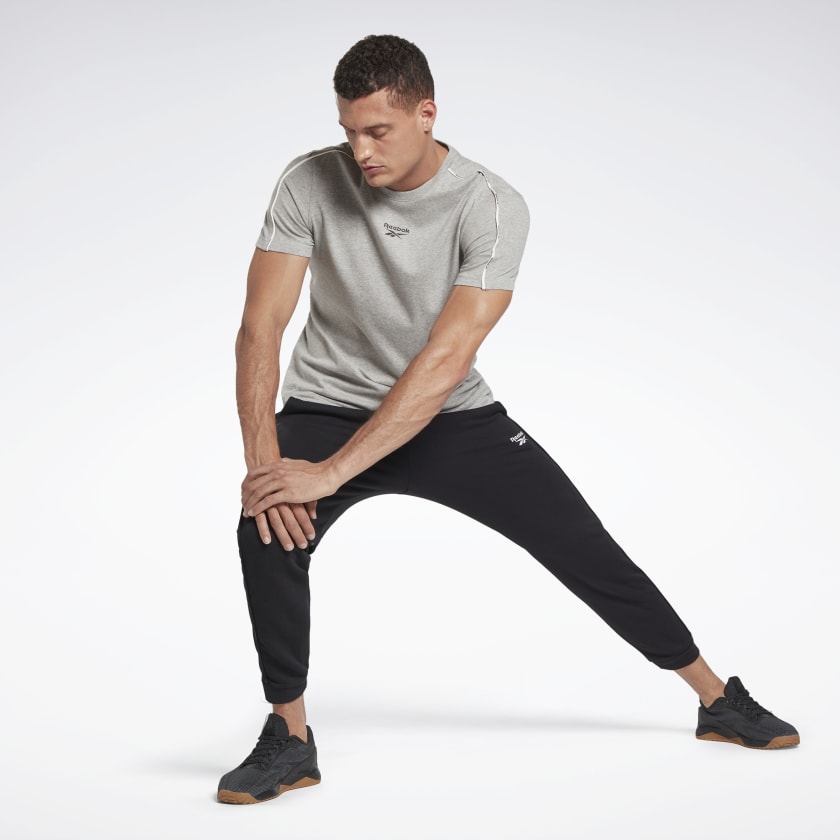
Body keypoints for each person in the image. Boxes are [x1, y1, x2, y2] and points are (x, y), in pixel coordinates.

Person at [217, 34, 799, 805]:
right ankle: (289, 737)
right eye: (348, 130)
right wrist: (268, 470)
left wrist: (329, 475)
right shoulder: (309, 181)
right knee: (266, 528)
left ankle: (715, 697)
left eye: (378, 131)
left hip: (446, 414)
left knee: (582, 545)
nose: (360, 151)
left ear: (426, 113)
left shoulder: (491, 205)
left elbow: (446, 358)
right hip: (327, 404)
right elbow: (260, 328)